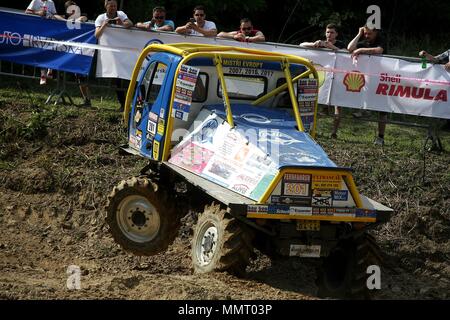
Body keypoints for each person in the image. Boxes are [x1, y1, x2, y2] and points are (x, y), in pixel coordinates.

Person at [300, 24, 347, 139]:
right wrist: (314, 44)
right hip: (323, 78)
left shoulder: (340, 44)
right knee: (313, 103)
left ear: (336, 34)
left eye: (332, 32)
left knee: (338, 106)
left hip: (337, 78)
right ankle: (311, 129)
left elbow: (347, 54)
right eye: (327, 32)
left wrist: (333, 48)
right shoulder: (320, 43)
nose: (329, 35)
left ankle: (334, 133)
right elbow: (301, 45)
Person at [348, 25, 387, 146]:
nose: (367, 36)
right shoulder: (364, 39)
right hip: (367, 78)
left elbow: (379, 50)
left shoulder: (381, 39)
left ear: (376, 33)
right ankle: (364, 110)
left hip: (382, 78)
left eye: (369, 34)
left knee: (382, 110)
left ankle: (381, 137)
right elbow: (350, 48)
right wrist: (359, 34)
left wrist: (361, 50)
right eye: (365, 34)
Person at [95, 0, 133, 111]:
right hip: (110, 53)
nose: (113, 8)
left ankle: (130, 104)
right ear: (106, 6)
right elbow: (97, 35)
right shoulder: (101, 17)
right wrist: (104, 26)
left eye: (115, 6)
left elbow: (130, 24)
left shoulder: (120, 14)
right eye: (111, 6)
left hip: (124, 50)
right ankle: (123, 105)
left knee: (126, 78)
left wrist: (121, 23)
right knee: (115, 79)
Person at [25, 0, 63, 85]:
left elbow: (55, 14)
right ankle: (43, 75)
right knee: (41, 51)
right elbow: (27, 11)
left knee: (51, 48)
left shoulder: (51, 2)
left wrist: (63, 20)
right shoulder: (35, 1)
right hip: (38, 30)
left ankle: (50, 69)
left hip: (50, 29)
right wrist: (38, 13)